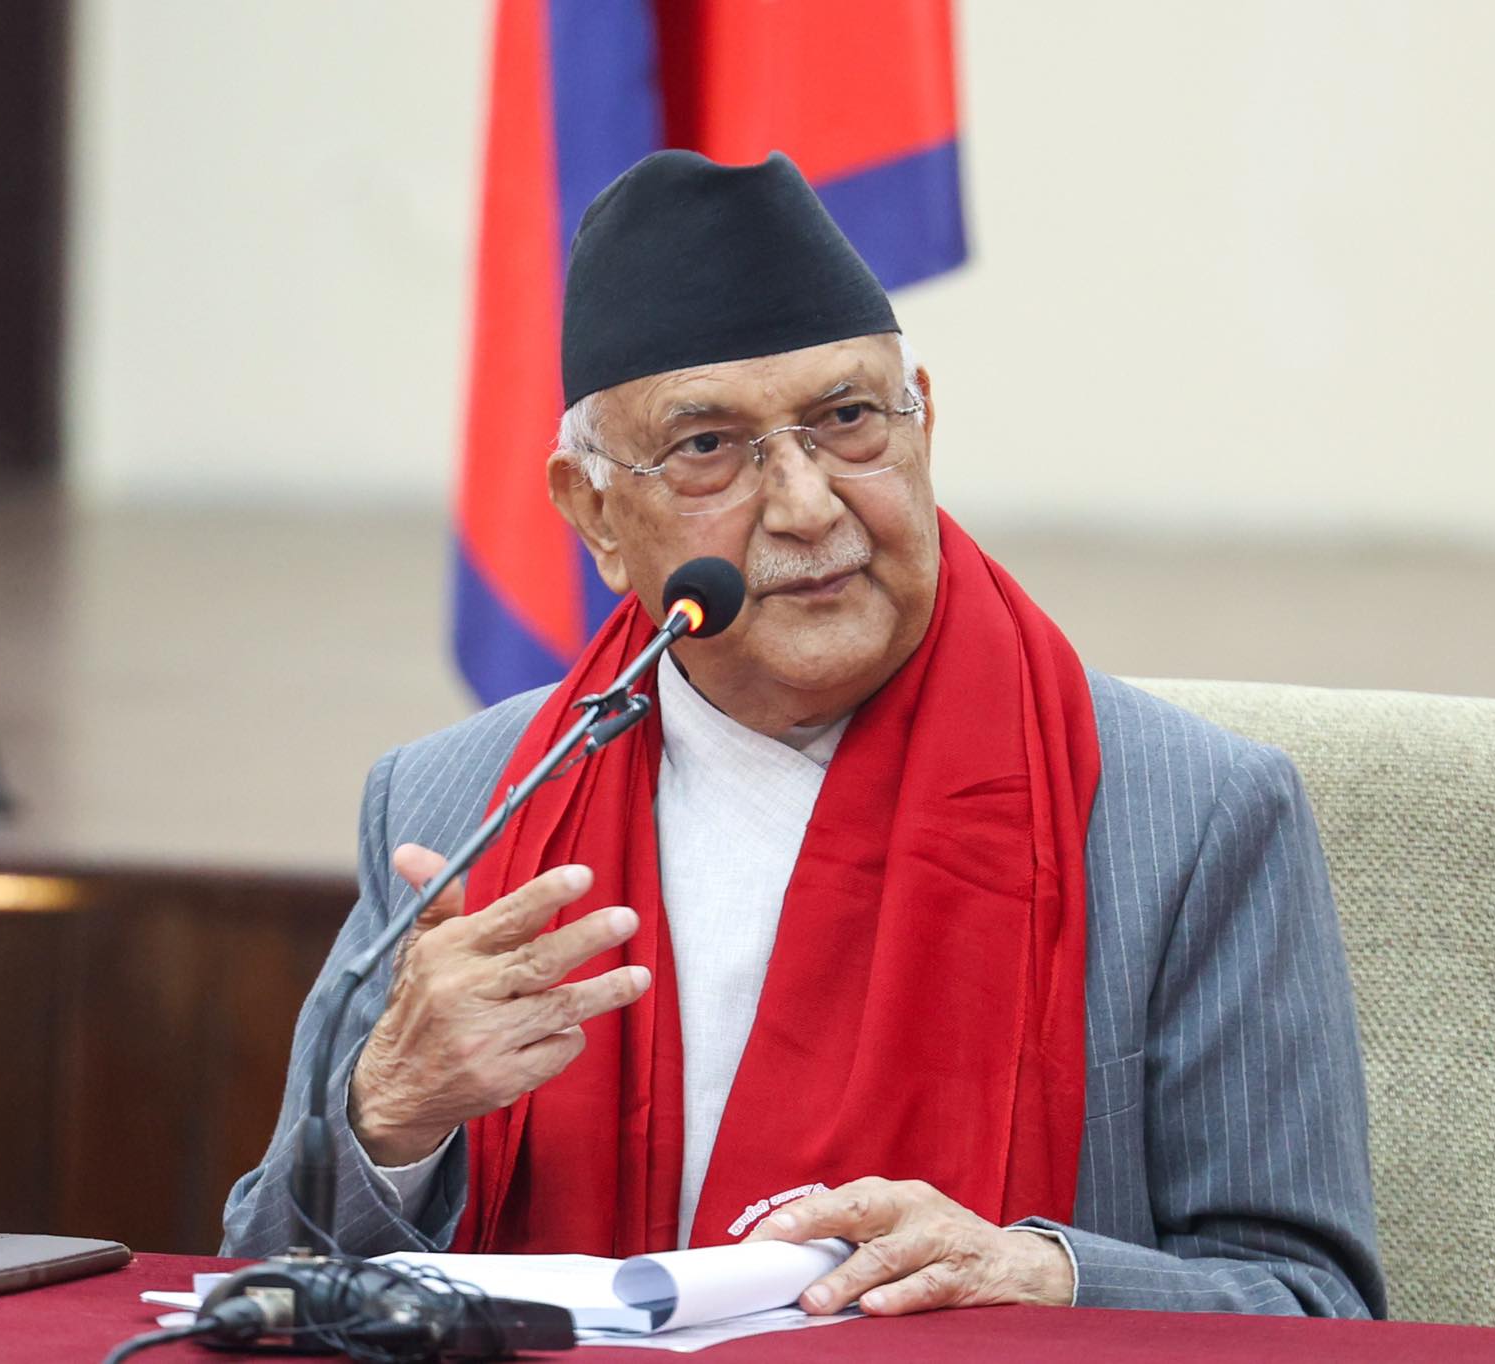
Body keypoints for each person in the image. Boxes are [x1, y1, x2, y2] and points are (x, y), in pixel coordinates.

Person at [224, 150, 1385, 1320]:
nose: (805, 502)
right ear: (593, 513)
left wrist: (1040, 1273)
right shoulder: (458, 807)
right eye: (706, 447)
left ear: (922, 422)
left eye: (846, 420)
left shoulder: (1185, 814)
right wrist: (392, 1115)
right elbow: (257, 1284)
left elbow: (1314, 1305)